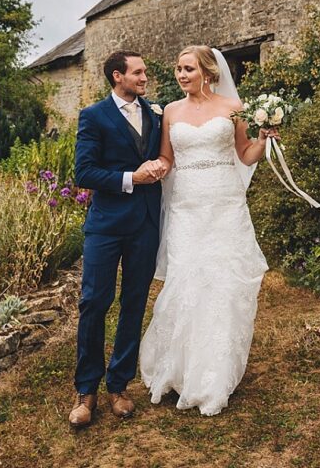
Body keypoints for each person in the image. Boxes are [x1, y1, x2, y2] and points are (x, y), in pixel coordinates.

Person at [139, 45, 272, 416]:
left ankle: (213, 375)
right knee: (186, 282)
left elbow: (244, 154)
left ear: (208, 73)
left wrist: (264, 140)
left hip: (225, 205)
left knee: (222, 285)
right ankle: (179, 369)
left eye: (188, 69)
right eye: (179, 69)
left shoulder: (233, 109)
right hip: (186, 208)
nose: (181, 75)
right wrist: (157, 167)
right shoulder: (170, 112)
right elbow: (168, 157)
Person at [69, 50, 167, 429]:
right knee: (94, 301)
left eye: (145, 71)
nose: (145, 77)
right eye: (138, 72)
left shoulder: (156, 113)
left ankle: (119, 384)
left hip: (145, 223)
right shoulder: (93, 116)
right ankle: (85, 390)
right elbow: (84, 172)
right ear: (117, 76)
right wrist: (131, 178)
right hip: (106, 225)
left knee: (134, 302)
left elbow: (164, 157)